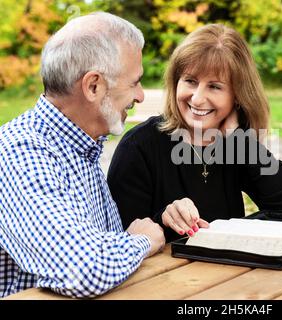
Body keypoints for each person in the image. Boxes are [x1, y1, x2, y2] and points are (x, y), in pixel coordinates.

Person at [0, 12, 165, 299]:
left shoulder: (80, 144)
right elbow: (83, 269)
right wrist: (140, 241)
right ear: (93, 86)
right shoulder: (20, 153)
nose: (139, 96)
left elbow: (96, 249)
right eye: (134, 82)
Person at [107, 24, 282, 242]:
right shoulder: (138, 147)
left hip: (233, 273)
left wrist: (241, 143)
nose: (196, 98)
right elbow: (119, 241)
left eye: (214, 86)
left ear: (238, 96)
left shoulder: (234, 144)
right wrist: (164, 220)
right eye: (190, 81)